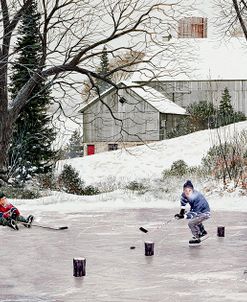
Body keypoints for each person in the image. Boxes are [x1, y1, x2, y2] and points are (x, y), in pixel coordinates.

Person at [174, 180, 210, 244]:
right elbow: (183, 204)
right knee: (194, 219)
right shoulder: (184, 194)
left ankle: (197, 236)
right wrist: (181, 213)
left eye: (189, 190)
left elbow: (196, 212)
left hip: (204, 213)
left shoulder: (197, 197)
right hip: (196, 211)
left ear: (192, 190)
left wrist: (184, 216)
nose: (187, 192)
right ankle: (203, 232)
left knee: (191, 223)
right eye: (185, 190)